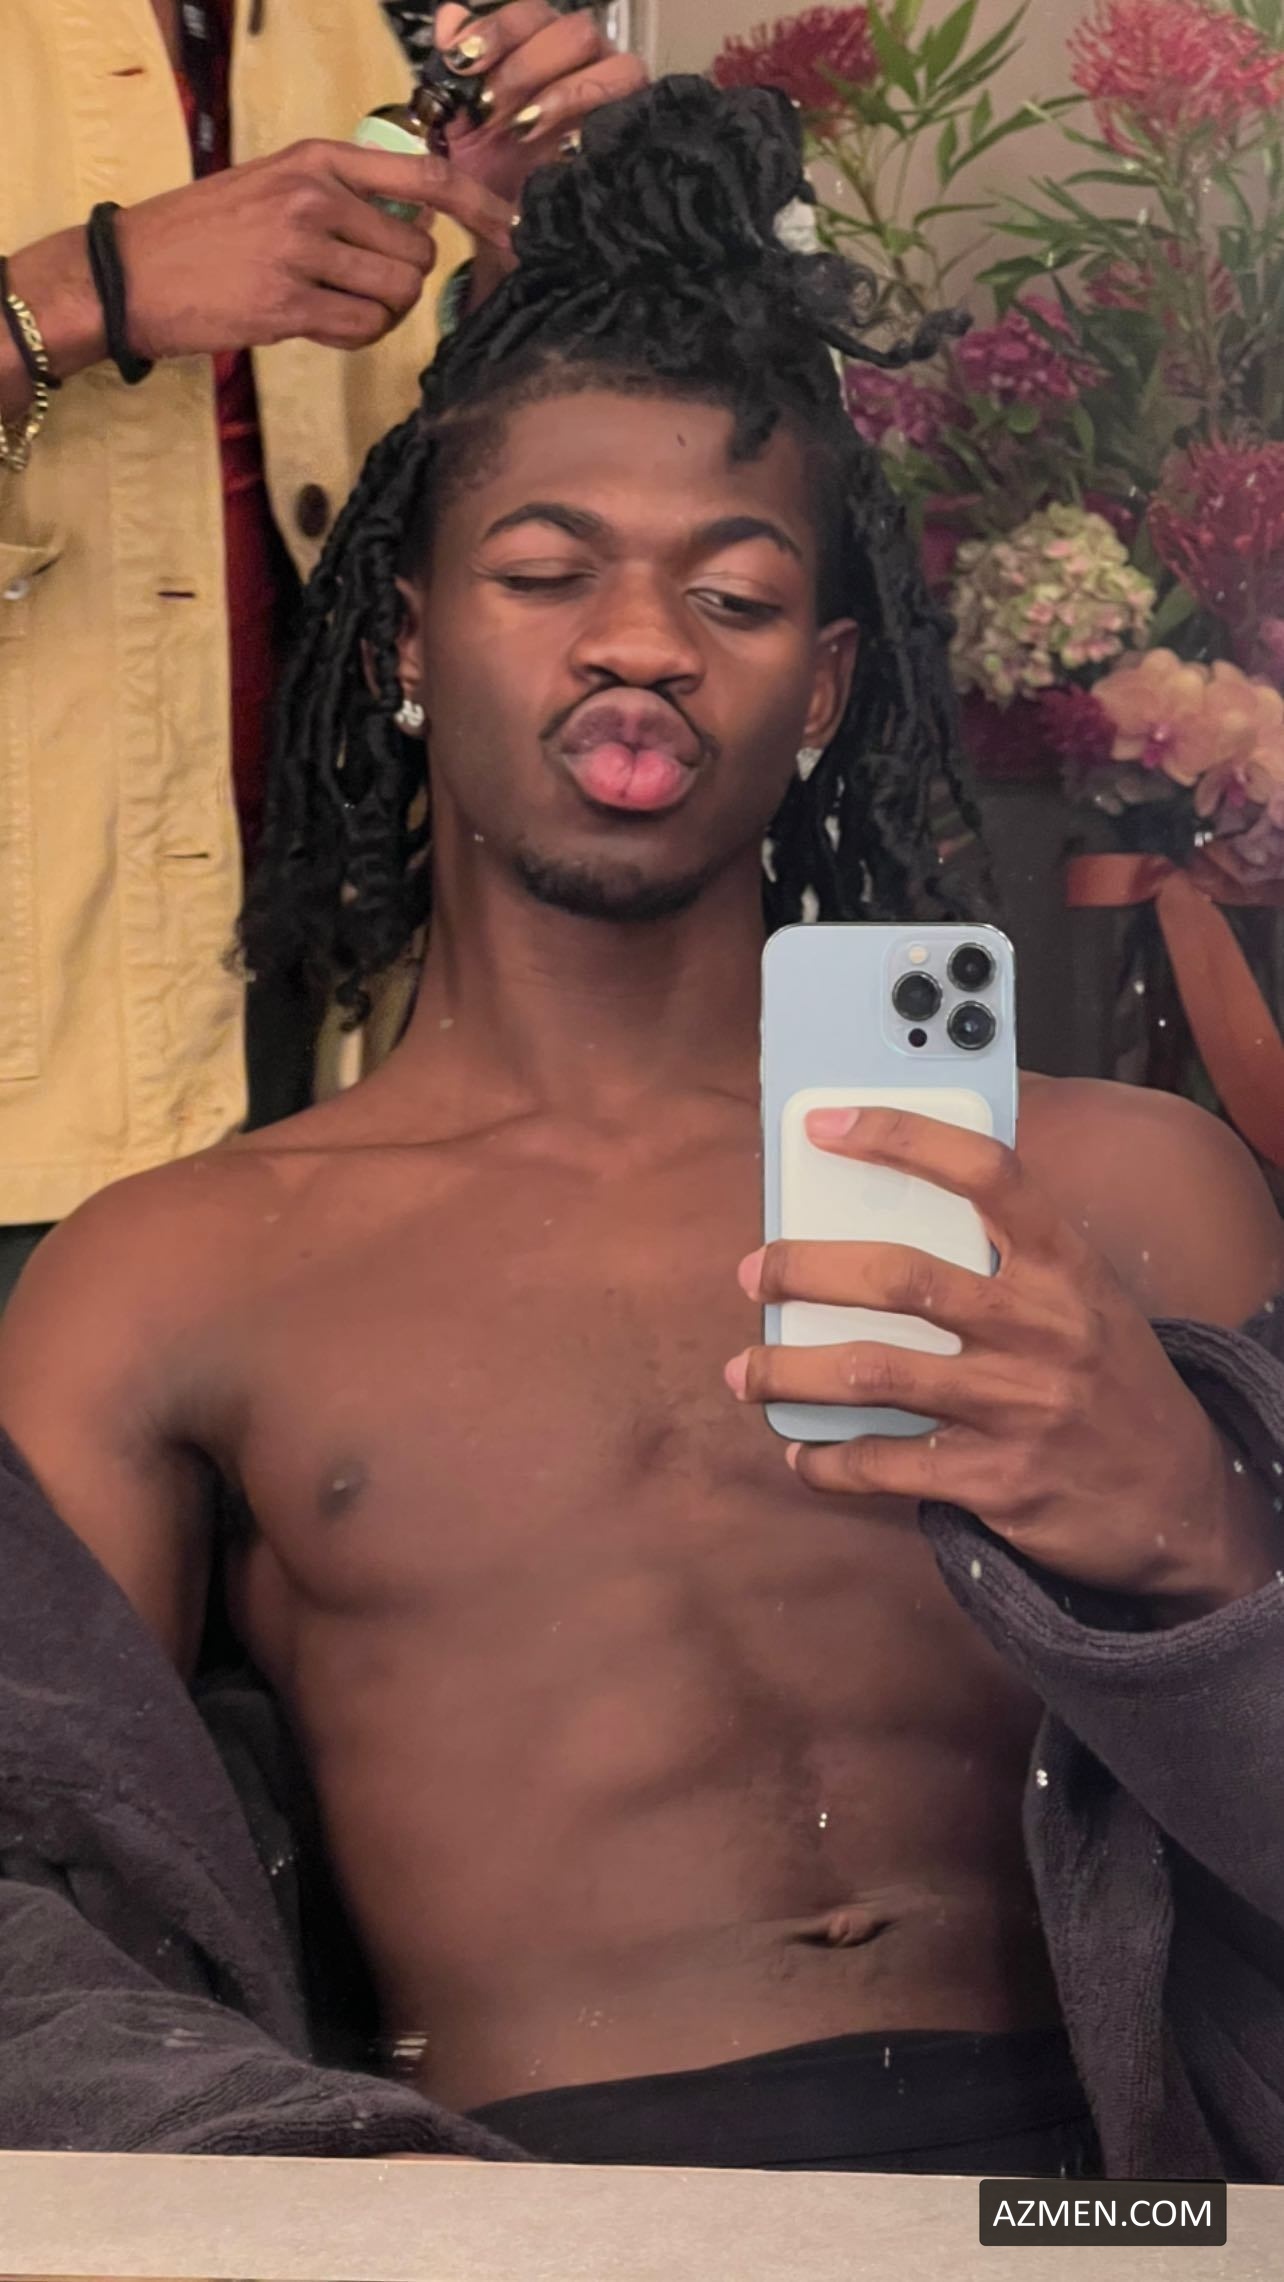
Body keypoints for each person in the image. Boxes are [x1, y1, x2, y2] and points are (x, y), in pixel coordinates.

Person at [2, 77, 1284, 2177]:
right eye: (543, 572)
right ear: (408, 635)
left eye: (737, 598)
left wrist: (1201, 1534)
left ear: (828, 685)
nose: (637, 647)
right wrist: (373, 2218)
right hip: (508, 2224)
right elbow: (27, 1910)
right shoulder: (163, 1283)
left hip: (1084, 2215)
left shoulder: (1122, 1188)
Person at [0, 0, 643, 1305]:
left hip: (307, 1035)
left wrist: (517, 270)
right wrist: (77, 295)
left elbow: (428, 522)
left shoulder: (331, 36)